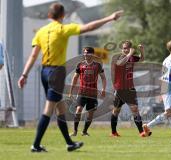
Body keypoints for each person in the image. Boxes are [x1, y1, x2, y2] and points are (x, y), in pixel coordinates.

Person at [18, 3, 123, 152]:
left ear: (49, 15)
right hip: (56, 73)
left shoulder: (41, 31)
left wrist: (24, 74)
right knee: (48, 109)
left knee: (60, 108)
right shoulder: (63, 29)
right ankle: (35, 145)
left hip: (44, 71)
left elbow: (34, 55)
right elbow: (88, 27)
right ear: (63, 15)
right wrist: (110, 18)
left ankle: (69, 143)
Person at [143, 40, 171, 138]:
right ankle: (147, 126)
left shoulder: (166, 59)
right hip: (169, 86)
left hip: (166, 85)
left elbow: (164, 74)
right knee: (169, 111)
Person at [110, 40, 151, 137]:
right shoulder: (118, 57)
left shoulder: (132, 57)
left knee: (135, 109)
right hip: (120, 88)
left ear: (130, 48)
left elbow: (141, 59)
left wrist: (142, 51)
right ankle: (113, 132)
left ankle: (141, 132)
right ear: (122, 49)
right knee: (116, 110)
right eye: (124, 48)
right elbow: (120, 64)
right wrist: (130, 54)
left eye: (127, 48)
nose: (125, 50)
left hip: (130, 88)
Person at [69, 47, 106, 137]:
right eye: (84, 53)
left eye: (87, 53)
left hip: (93, 94)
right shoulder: (80, 65)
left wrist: (103, 89)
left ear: (92, 54)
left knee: (90, 114)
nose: (85, 54)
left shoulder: (98, 65)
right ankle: (74, 131)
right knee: (78, 110)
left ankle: (84, 131)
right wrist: (71, 91)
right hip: (82, 92)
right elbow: (75, 78)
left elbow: (103, 78)